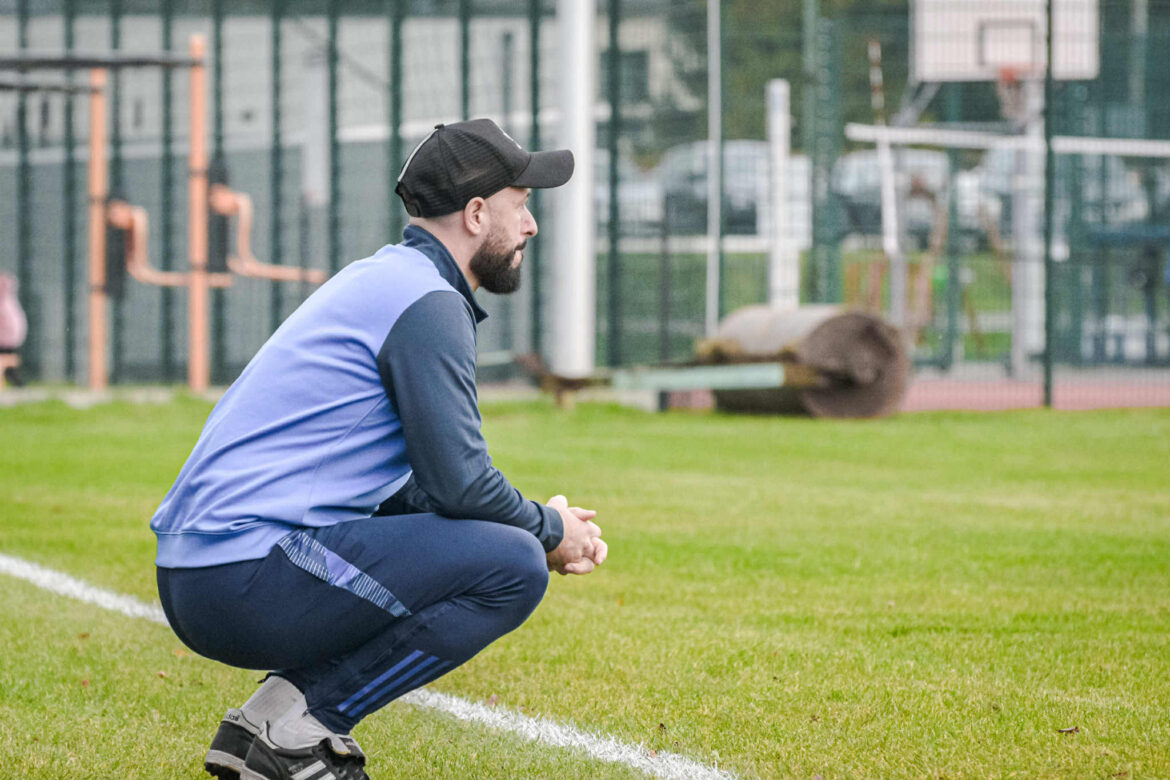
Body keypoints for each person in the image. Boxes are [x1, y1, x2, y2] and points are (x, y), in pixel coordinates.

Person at [152, 118, 607, 780]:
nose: (532, 225)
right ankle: (301, 730)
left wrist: (541, 521)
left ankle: (265, 722)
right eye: (523, 202)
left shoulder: (389, 281)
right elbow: (460, 486)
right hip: (240, 578)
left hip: (206, 574)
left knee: (504, 543)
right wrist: (546, 531)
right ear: (478, 213)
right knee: (512, 564)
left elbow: (409, 492)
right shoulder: (426, 303)